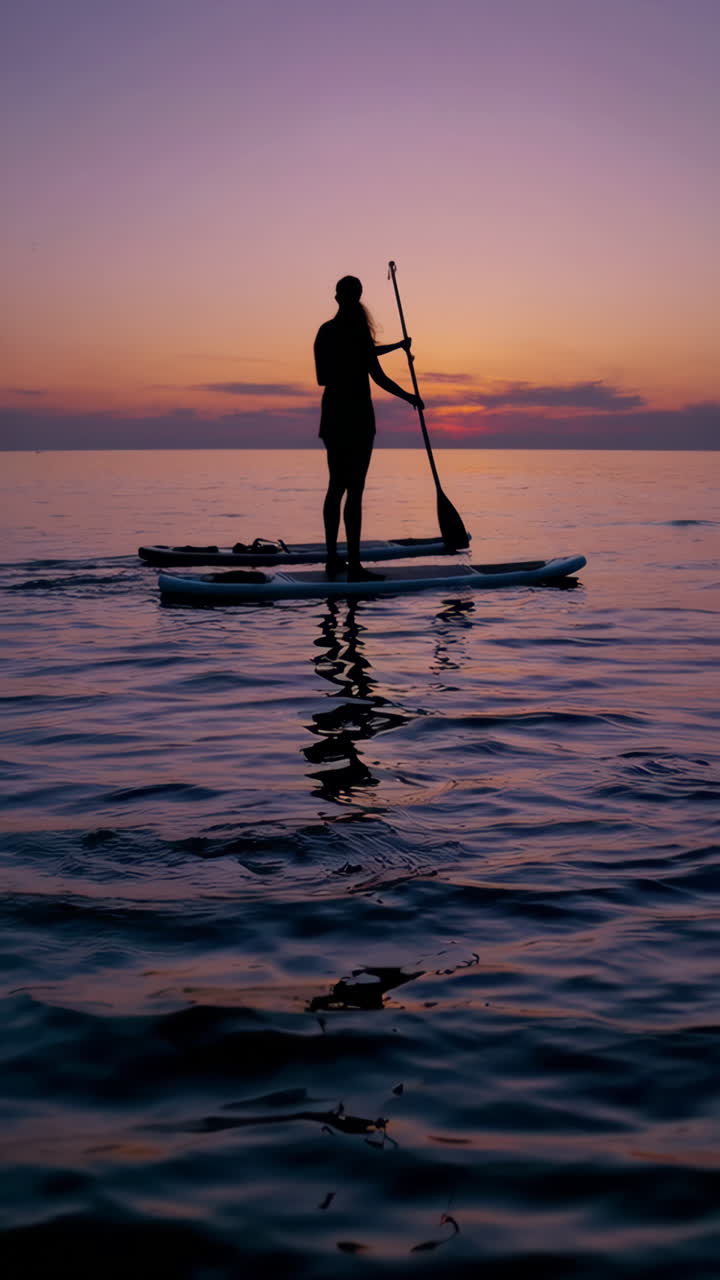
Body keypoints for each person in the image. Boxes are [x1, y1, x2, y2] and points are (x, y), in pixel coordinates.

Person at [314, 275, 423, 581]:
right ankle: (351, 565)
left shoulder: (328, 332)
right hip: (353, 418)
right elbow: (369, 367)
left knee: (339, 486)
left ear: (340, 297)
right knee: (351, 489)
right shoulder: (349, 333)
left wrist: (408, 395)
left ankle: (336, 561)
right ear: (347, 298)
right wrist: (408, 396)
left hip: (339, 417)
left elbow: (365, 364)